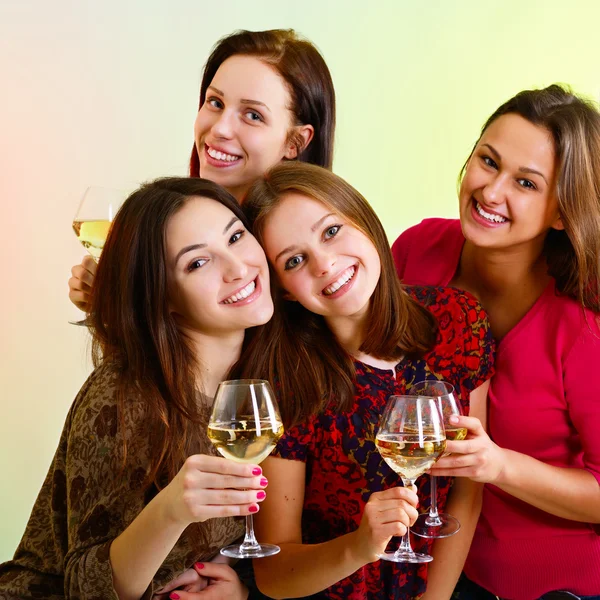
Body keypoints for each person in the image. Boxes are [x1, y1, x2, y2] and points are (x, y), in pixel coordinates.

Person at [0, 177, 275, 599]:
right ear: (161, 295)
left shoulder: (263, 383)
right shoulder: (123, 393)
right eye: (197, 263)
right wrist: (170, 510)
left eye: (236, 237)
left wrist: (242, 591)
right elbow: (84, 588)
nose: (238, 268)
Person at [238, 162, 494, 600]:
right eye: (295, 260)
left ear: (364, 220)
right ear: (282, 288)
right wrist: (359, 546)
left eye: (332, 231)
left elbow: (467, 494)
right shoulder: (286, 380)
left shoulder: (460, 321)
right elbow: (274, 575)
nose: (325, 264)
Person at [392, 84, 600, 600]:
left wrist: (498, 464)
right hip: (424, 569)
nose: (490, 191)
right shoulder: (417, 252)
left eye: (525, 183)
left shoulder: (584, 325)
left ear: (560, 210)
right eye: (488, 161)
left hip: (560, 589)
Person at [68, 28, 336, 313]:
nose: (219, 128)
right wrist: (116, 308)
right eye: (215, 103)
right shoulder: (169, 225)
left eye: (253, 115)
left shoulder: (323, 257)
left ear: (295, 142)